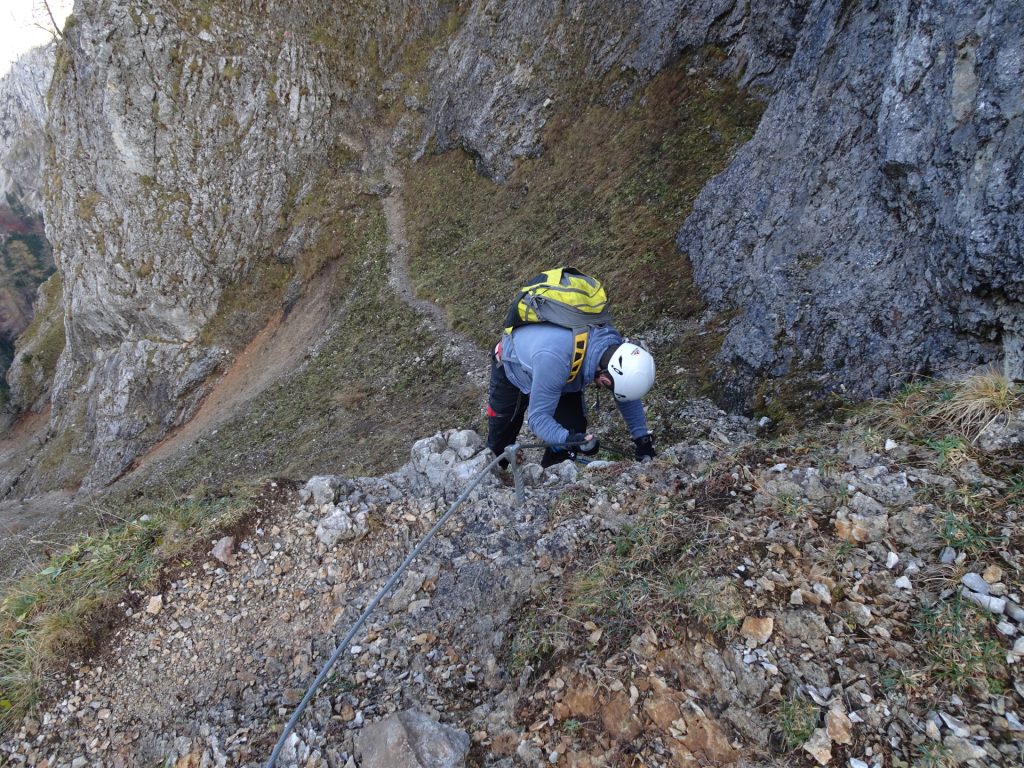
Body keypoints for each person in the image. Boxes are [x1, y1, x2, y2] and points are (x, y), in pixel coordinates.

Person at [487, 322, 656, 467]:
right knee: (500, 443)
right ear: (605, 379)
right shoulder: (556, 360)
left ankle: (552, 477)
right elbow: (537, 418)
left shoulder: (610, 344)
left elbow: (625, 391)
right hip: (513, 368)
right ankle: (496, 476)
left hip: (561, 374)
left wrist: (642, 438)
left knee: (573, 428)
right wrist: (568, 440)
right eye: (608, 387)